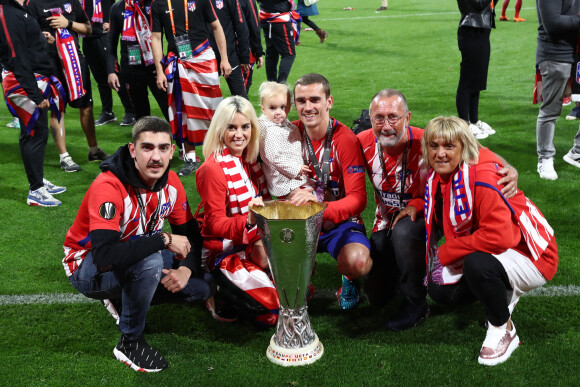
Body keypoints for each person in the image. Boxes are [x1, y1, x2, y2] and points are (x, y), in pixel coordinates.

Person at [62, 116, 213, 372]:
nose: (156, 157)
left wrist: (185, 269)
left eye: (163, 148)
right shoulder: (109, 186)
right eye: (147, 147)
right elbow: (104, 256)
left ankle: (123, 298)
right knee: (150, 260)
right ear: (133, 150)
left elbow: (189, 236)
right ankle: (129, 343)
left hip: (134, 254)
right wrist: (163, 239)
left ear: (172, 150)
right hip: (86, 266)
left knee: (198, 288)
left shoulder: (172, 182)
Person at [360, 89, 519, 331]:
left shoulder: (427, 140)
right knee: (377, 296)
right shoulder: (361, 142)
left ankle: (416, 303)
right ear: (370, 119)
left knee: (405, 232)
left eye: (393, 117)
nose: (386, 125)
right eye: (378, 118)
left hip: (430, 213)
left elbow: (476, 149)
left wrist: (508, 167)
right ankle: (400, 271)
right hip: (385, 221)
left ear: (407, 117)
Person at [422, 116, 558, 366]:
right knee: (440, 290)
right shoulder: (454, 167)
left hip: (532, 253)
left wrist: (449, 250)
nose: (440, 153)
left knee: (477, 265)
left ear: (463, 147)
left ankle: (503, 328)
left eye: (449, 146)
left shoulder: (483, 176)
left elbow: (501, 236)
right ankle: (504, 291)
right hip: (501, 248)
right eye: (434, 146)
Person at [287, 73, 370, 311]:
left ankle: (349, 280)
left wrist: (321, 207)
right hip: (301, 220)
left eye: (315, 99)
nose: (308, 107)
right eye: (301, 101)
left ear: (329, 102)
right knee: (265, 257)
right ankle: (303, 279)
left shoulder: (345, 139)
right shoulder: (289, 134)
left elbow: (358, 199)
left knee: (358, 262)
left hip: (339, 222)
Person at [196, 96, 279, 326]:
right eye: (231, 127)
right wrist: (250, 221)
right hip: (222, 251)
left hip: (247, 241)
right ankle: (216, 289)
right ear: (220, 129)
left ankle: (244, 281)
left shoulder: (245, 160)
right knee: (271, 309)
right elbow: (214, 224)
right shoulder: (212, 169)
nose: (239, 134)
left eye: (245, 126)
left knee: (298, 279)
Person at [151, 0, 232, 177]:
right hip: (177, 62)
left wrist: (224, 58)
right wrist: (159, 71)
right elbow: (156, 38)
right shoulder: (157, 4)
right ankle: (190, 158)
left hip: (203, 58)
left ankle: (220, 153)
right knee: (183, 111)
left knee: (213, 108)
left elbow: (217, 27)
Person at [28, 0, 110, 173]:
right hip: (49, 63)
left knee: (86, 105)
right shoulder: (34, 3)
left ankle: (94, 150)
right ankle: (64, 157)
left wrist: (68, 23)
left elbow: (88, 29)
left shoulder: (72, 1)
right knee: (57, 108)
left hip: (73, 60)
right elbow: (27, 34)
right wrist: (44, 38)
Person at [0, 0, 66, 206]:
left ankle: (38, 180)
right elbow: (15, 56)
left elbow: (22, 43)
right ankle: (35, 190)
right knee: (33, 134)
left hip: (32, 79)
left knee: (38, 132)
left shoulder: (19, 10)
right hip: (23, 82)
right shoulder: (7, 12)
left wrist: (39, 38)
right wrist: (35, 95)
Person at [535, 0, 580, 180]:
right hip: (556, 54)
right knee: (551, 110)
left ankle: (577, 152)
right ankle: (545, 158)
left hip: (576, 54)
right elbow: (552, 23)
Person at [107, 0, 169, 121]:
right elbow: (111, 42)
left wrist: (165, 64)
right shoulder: (117, 8)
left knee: (169, 108)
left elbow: (171, 34)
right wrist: (111, 71)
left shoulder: (155, 4)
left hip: (156, 68)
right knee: (141, 115)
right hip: (131, 70)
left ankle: (178, 139)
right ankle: (145, 139)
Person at [83, 0, 136, 127]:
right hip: (87, 37)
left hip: (104, 36)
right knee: (100, 78)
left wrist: (112, 22)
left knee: (114, 73)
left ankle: (131, 111)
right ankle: (107, 111)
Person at [258, 81, 311, 198]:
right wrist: (296, 168)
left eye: (283, 107)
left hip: (293, 178)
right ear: (263, 109)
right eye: (272, 108)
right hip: (284, 181)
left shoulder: (282, 125)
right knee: (301, 205)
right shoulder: (270, 130)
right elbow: (274, 157)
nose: (278, 112)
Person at [455, 0, 496, 140]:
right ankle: (464, 123)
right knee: (467, 80)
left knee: (477, 80)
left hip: (483, 29)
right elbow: (478, 3)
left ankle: (474, 120)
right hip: (470, 30)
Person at [208, 0, 251, 99]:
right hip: (205, 56)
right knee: (207, 100)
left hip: (229, 55)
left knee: (241, 100)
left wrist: (244, 57)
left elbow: (241, 25)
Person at [258, 0, 298, 84]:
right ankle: (280, 86)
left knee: (272, 53)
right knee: (289, 54)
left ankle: (271, 85)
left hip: (265, 17)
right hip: (278, 19)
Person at [239, 0, 264, 93]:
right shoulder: (247, 1)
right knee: (242, 89)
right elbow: (254, 25)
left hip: (218, 47)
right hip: (243, 47)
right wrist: (258, 52)